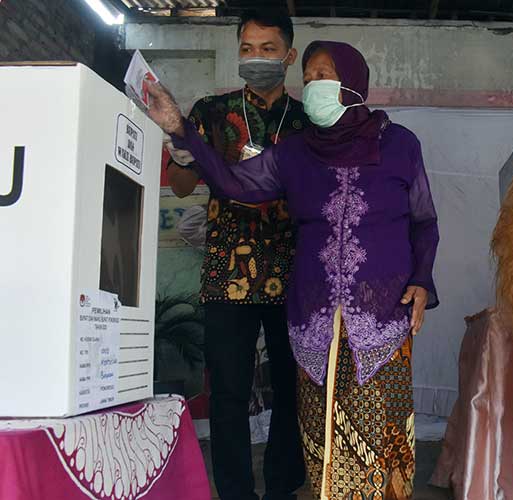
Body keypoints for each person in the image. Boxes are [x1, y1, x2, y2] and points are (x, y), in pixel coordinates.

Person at [146, 40, 439, 500]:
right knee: (320, 431)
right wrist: (182, 130)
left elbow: (423, 220)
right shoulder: (296, 152)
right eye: (311, 75)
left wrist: (422, 280)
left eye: (326, 74)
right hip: (312, 312)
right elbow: (234, 182)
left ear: (354, 82)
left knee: (380, 433)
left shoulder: (400, 144)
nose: (316, 84)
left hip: (382, 312)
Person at [163, 9, 307, 500]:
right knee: (228, 393)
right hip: (229, 273)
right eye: (247, 48)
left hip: (296, 276)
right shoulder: (210, 111)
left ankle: (283, 487)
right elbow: (182, 188)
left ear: (288, 55)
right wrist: (182, 152)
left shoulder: (309, 121)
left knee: (292, 391)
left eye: (267, 49)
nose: (256, 57)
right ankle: (235, 491)